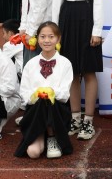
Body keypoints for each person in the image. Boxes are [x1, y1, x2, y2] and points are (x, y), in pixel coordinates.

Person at [52, 0, 103, 140]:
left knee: (89, 70)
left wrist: (97, 29)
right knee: (70, 70)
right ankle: (74, 118)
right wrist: (54, 29)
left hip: (87, 14)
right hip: (67, 15)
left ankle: (88, 121)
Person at [15, 21, 74, 159]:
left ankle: (52, 137)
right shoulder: (30, 64)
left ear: (58, 39)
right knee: (33, 153)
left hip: (57, 113)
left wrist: (50, 92)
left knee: (47, 100)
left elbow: (65, 95)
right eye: (42, 36)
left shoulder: (65, 63)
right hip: (35, 114)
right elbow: (24, 94)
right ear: (37, 39)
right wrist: (36, 94)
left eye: (51, 37)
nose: (46, 40)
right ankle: (40, 133)